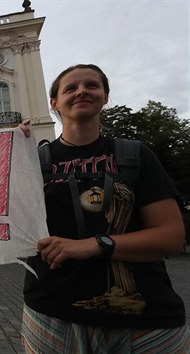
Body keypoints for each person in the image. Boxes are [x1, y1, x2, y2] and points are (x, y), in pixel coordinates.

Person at [18, 64, 189, 353]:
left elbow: (171, 236)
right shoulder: (34, 162)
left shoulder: (134, 155)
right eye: (70, 88)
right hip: (53, 315)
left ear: (105, 96)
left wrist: (95, 244)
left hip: (144, 321)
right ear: (54, 103)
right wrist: (9, 151)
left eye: (91, 85)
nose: (81, 91)